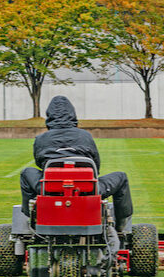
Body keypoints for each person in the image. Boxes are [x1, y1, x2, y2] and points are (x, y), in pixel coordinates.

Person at [19, 96, 133, 231]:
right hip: (88, 189)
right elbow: (95, 165)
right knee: (121, 177)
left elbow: (39, 163)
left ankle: (31, 216)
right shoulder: (85, 135)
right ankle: (120, 226)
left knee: (26, 173)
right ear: (73, 115)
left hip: (50, 188)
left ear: (49, 116)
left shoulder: (41, 138)